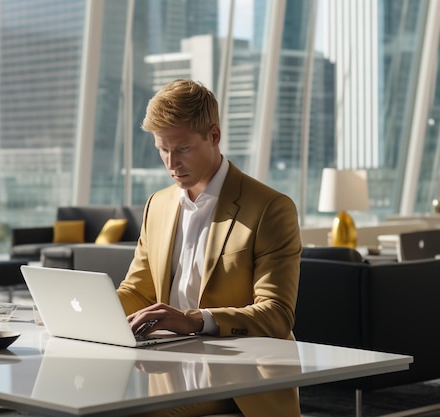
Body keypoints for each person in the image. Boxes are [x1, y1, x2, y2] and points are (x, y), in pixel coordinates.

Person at [117, 79, 302, 417]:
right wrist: (85, 311)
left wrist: (194, 321)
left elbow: (277, 315)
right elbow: (137, 290)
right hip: (167, 362)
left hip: (239, 376)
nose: (171, 163)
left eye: (183, 148)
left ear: (213, 136)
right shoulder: (157, 205)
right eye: (163, 149)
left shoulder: (269, 208)